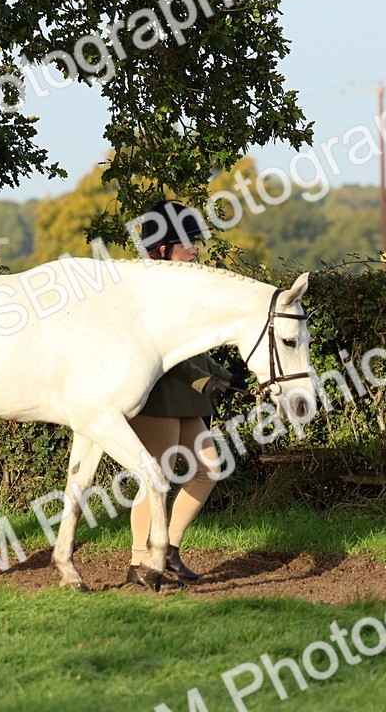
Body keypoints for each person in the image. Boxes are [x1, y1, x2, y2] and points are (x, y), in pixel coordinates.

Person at [126, 200, 240, 589]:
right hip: (156, 397)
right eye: (186, 243)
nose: (194, 249)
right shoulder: (146, 288)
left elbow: (195, 348)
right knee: (156, 478)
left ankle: (168, 549)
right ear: (161, 250)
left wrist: (228, 377)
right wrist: (202, 381)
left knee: (209, 466)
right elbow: (163, 353)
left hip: (184, 399)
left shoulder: (179, 285)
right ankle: (141, 560)